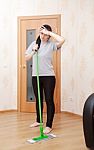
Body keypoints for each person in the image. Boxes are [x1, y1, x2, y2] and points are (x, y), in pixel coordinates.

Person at [25, 24, 65, 134]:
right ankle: (39, 120)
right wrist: (33, 51)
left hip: (48, 76)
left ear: (48, 36)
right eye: (41, 33)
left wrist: (49, 32)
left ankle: (49, 125)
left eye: (45, 34)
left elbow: (62, 40)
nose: (42, 36)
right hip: (36, 76)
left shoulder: (51, 45)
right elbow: (26, 58)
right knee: (38, 99)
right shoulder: (34, 44)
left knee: (49, 99)